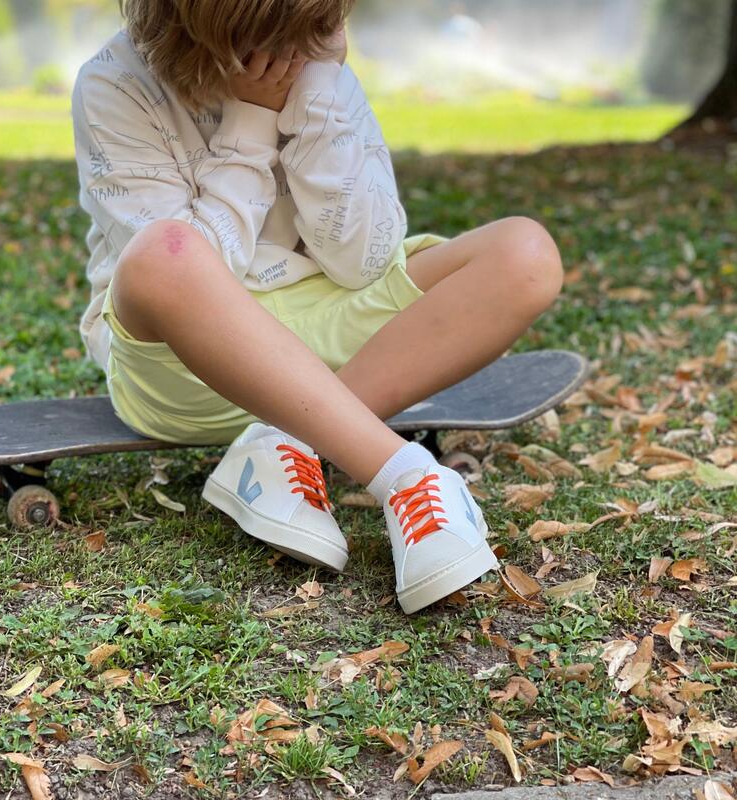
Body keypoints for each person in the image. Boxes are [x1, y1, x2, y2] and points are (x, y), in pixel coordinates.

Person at [71, 0, 563, 614]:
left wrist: (319, 98)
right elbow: (198, 270)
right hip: (191, 366)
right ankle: (406, 478)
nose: (304, 56)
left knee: (525, 253)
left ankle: (283, 440)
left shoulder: (318, 65)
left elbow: (362, 261)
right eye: (286, 46)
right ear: (222, 36)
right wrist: (251, 123)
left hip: (338, 343)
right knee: (163, 254)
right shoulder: (114, 83)